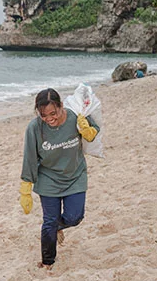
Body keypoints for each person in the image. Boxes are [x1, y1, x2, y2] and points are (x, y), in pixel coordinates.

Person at [19, 88, 99, 269]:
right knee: (49, 221)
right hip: (48, 178)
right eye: (43, 115)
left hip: (75, 175)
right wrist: (26, 188)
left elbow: (94, 129)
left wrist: (88, 131)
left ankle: (58, 227)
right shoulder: (34, 128)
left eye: (53, 113)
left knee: (75, 217)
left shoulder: (75, 117)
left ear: (61, 106)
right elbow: (30, 157)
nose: (49, 119)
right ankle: (48, 261)